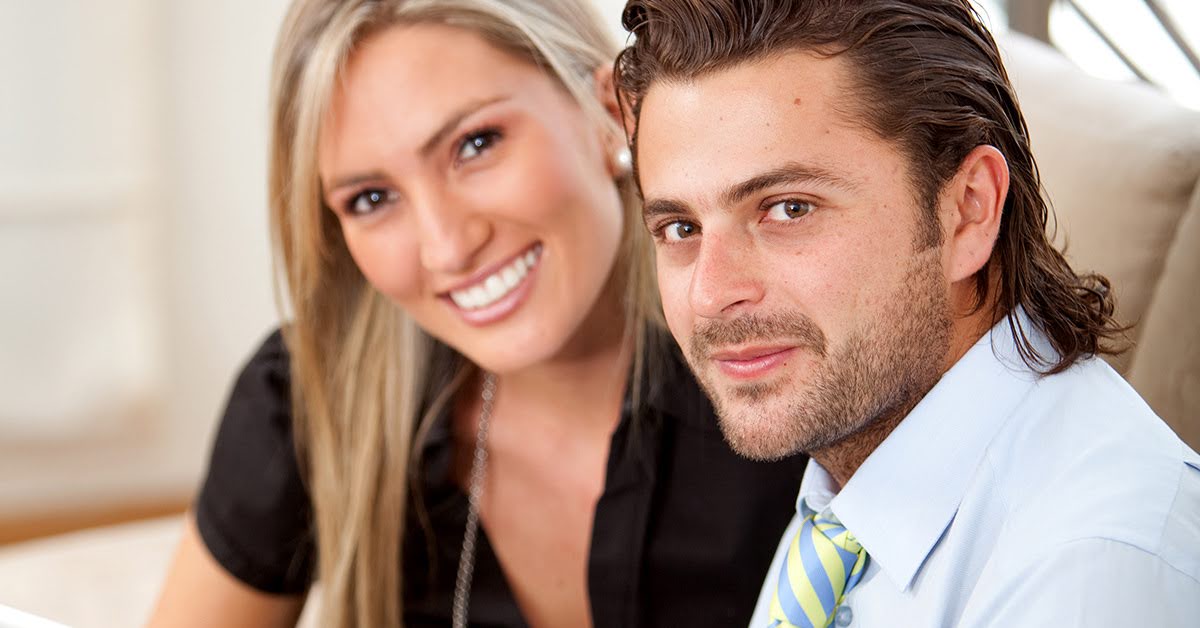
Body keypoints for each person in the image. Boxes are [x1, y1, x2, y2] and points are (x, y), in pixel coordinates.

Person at [147, 1, 809, 627]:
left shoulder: (796, 368)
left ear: (610, 114)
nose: (446, 247)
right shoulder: (309, 404)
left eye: (476, 143)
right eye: (372, 198)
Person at [614, 0, 1200, 626]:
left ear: (968, 210)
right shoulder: (847, 495)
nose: (710, 294)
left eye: (789, 209)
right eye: (680, 228)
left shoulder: (1093, 575)